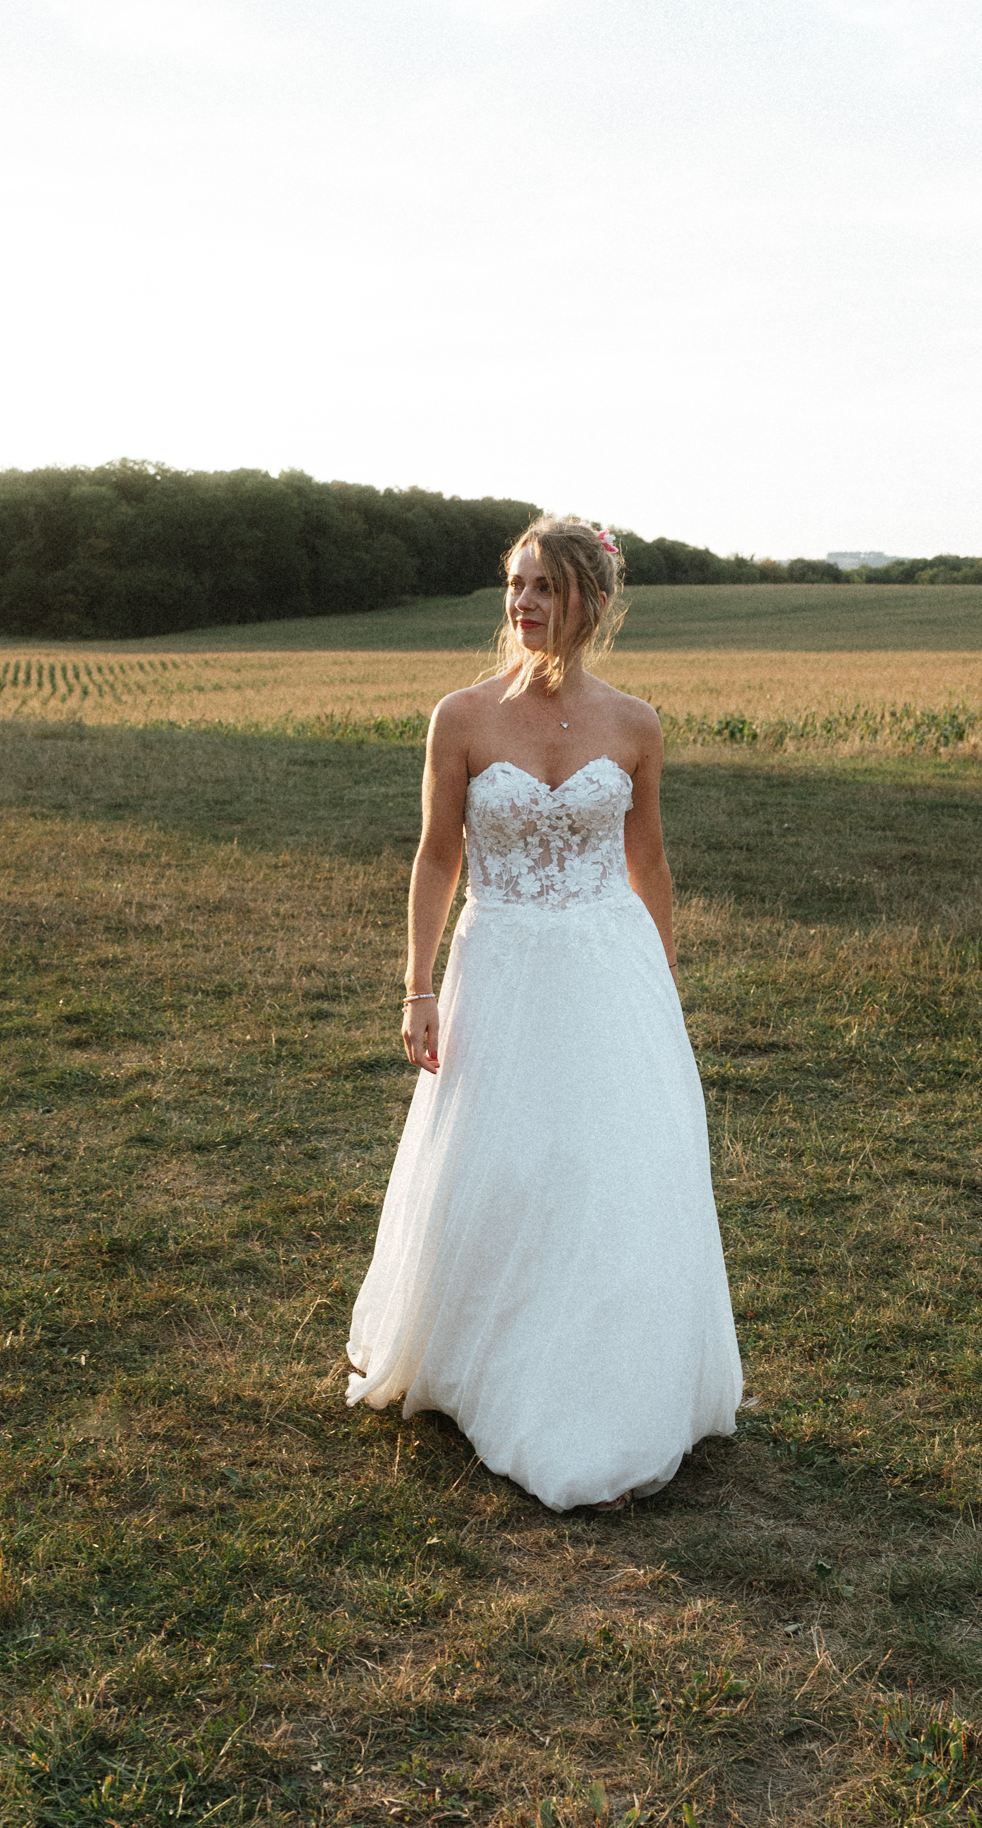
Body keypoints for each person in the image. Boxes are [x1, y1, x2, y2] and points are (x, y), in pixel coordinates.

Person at [344, 517, 742, 1512]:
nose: (523, 605)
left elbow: (646, 861)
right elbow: (437, 855)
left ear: (591, 607)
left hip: (611, 969)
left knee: (611, 1171)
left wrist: (664, 979)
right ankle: (485, 1364)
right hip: (504, 962)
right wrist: (417, 982)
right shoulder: (462, 716)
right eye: (515, 586)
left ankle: (607, 1394)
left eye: (546, 590)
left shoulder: (635, 724)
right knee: (507, 1163)